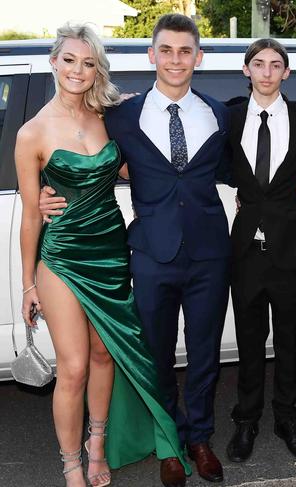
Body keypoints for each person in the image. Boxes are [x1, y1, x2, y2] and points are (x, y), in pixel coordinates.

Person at [39, 14, 231, 487]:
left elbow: (250, 165)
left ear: (199, 58)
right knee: (155, 355)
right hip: (149, 254)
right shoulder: (121, 115)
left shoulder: (221, 112)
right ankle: (169, 442)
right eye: (166, 50)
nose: (175, 60)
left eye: (185, 51)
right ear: (151, 55)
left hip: (209, 252)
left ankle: (200, 439)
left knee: (205, 354)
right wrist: (47, 192)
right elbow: (82, 158)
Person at [16, 23, 190, 487]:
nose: (78, 70)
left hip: (112, 250)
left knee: (102, 355)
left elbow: (144, 162)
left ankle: (98, 445)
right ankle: (71, 462)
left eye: (88, 62)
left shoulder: (110, 116)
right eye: (70, 60)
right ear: (54, 62)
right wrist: (28, 282)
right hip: (64, 256)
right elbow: (31, 216)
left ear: (97, 70)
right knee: (71, 366)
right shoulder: (32, 133)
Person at [225, 38, 296, 463]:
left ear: (286, 72)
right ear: (246, 70)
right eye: (258, 64)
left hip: (291, 248)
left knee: (289, 339)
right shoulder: (225, 117)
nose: (266, 71)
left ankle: (287, 418)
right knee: (248, 340)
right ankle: (246, 420)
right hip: (246, 250)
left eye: (275, 64)